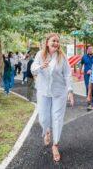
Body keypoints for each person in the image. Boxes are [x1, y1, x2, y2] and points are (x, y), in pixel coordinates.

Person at [31, 33, 74, 162]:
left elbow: (67, 74)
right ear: (47, 42)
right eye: (53, 41)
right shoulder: (40, 54)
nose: (56, 43)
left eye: (57, 41)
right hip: (43, 91)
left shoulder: (62, 57)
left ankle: (55, 144)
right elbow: (33, 69)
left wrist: (70, 91)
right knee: (43, 118)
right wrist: (40, 66)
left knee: (57, 117)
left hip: (59, 92)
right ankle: (47, 131)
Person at [80, 46, 93, 111]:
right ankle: (89, 103)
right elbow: (81, 64)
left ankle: (92, 101)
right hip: (87, 76)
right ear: (87, 50)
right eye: (89, 49)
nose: (90, 50)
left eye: (91, 49)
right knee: (88, 88)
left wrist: (92, 70)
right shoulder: (84, 57)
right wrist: (81, 71)